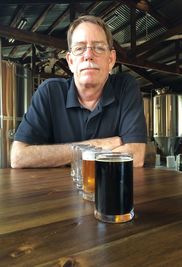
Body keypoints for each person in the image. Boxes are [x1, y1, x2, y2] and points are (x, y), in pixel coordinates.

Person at [11, 15, 147, 169]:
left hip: (110, 190)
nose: (88, 55)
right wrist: (96, 145)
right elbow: (19, 157)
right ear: (70, 61)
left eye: (99, 48)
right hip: (57, 192)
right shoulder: (50, 92)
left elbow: (135, 156)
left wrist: (63, 155)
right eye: (79, 48)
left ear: (111, 59)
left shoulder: (125, 87)